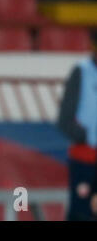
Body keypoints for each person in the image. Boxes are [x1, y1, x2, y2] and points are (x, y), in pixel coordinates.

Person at [57, 29, 97, 221]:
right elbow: (65, 119)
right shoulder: (81, 73)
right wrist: (84, 135)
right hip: (85, 158)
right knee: (81, 213)